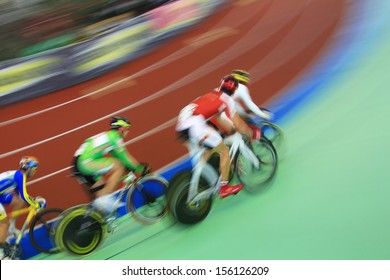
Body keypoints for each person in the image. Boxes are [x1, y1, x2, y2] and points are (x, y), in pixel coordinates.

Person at [176, 75, 255, 198]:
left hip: (182, 125)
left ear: (221, 84)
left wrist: (231, 130)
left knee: (209, 148)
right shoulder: (227, 99)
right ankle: (224, 187)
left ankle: (198, 177)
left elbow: (219, 119)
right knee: (224, 151)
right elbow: (238, 122)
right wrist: (248, 132)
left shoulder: (212, 94)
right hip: (196, 125)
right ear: (234, 91)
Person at [72, 116, 150, 214]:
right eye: (127, 128)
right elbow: (124, 157)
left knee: (100, 190)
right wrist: (140, 169)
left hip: (78, 162)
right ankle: (104, 199)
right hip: (85, 163)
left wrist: (130, 166)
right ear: (121, 129)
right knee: (119, 166)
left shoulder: (108, 136)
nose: (128, 131)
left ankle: (94, 217)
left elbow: (117, 154)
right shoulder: (115, 138)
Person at [0, 156, 42, 260]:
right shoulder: (21, 176)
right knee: (4, 223)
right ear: (28, 169)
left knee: (19, 201)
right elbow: (24, 195)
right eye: (34, 169)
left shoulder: (18, 174)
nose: (35, 172)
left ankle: (12, 227)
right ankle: (1, 254)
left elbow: (21, 196)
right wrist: (35, 204)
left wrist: (32, 201)